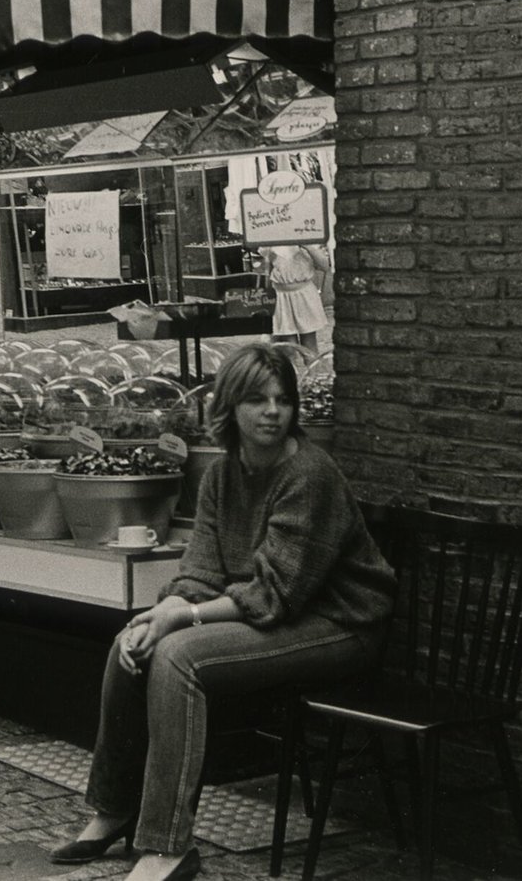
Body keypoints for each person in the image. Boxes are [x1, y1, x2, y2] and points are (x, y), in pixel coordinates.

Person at [51, 344, 396, 881]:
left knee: (179, 656)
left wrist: (182, 620)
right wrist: (165, 608)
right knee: (134, 641)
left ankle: (168, 846)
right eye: (257, 399)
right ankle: (115, 808)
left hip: (338, 625)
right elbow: (201, 571)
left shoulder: (309, 474)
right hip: (277, 616)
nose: (273, 412)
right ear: (230, 406)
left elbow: (273, 594)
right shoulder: (221, 476)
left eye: (283, 400)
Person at [261, 244, 330, 352]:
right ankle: (292, 367)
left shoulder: (310, 241)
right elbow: (267, 271)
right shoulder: (272, 240)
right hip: (281, 296)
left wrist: (307, 246)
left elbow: (325, 266)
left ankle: (312, 368)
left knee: (309, 343)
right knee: (289, 345)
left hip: (304, 296)